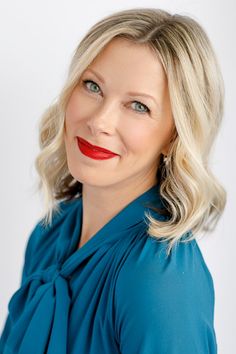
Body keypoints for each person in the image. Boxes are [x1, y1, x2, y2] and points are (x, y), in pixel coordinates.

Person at [0, 7, 226, 354]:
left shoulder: (159, 280)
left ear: (174, 136)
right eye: (93, 86)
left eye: (138, 106)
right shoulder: (49, 234)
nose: (100, 121)